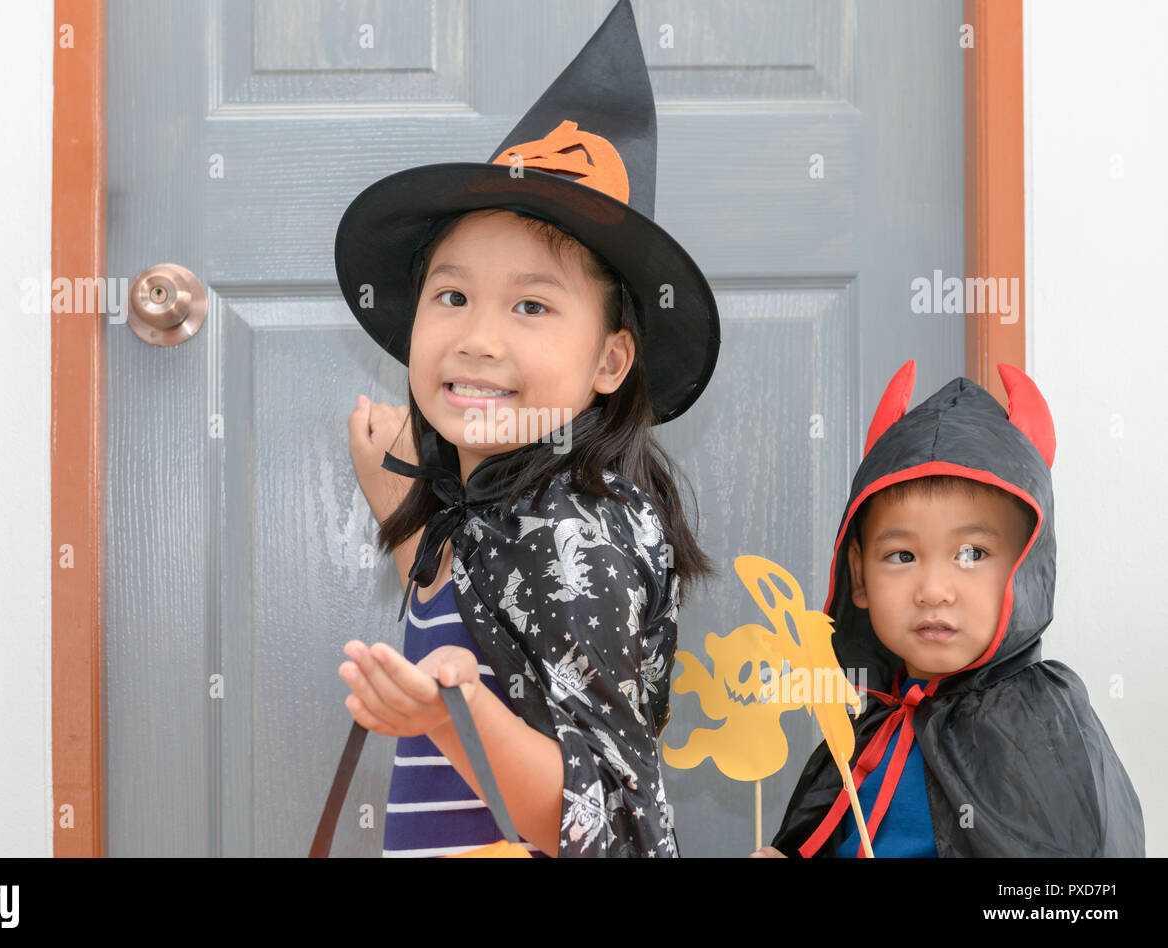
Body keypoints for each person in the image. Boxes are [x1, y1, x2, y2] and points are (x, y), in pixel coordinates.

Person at [332, 0, 720, 857]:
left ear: (610, 363)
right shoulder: (503, 508)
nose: (478, 337)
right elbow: (487, 613)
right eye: (453, 295)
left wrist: (451, 718)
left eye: (532, 304)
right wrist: (404, 507)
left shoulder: (575, 529)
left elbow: (601, 819)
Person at [751, 360, 1144, 857]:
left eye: (972, 554)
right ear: (859, 574)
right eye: (902, 556)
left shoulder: (1046, 731)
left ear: (1026, 566)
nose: (933, 590)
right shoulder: (862, 727)